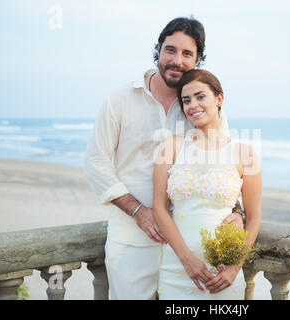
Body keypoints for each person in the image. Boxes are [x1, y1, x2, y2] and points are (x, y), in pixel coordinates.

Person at [83, 17, 243, 300]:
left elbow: (226, 166)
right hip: (132, 239)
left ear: (198, 60)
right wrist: (138, 211)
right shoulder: (120, 99)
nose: (177, 60)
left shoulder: (202, 107)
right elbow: (95, 162)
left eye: (187, 54)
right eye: (170, 50)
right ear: (157, 49)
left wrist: (239, 213)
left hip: (191, 244)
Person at [153, 69, 262, 299]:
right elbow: (160, 209)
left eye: (200, 97)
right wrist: (187, 260)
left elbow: (253, 219)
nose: (193, 105)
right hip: (177, 270)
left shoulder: (245, 154)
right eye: (186, 100)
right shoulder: (170, 147)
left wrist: (234, 268)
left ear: (219, 99)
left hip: (222, 275)